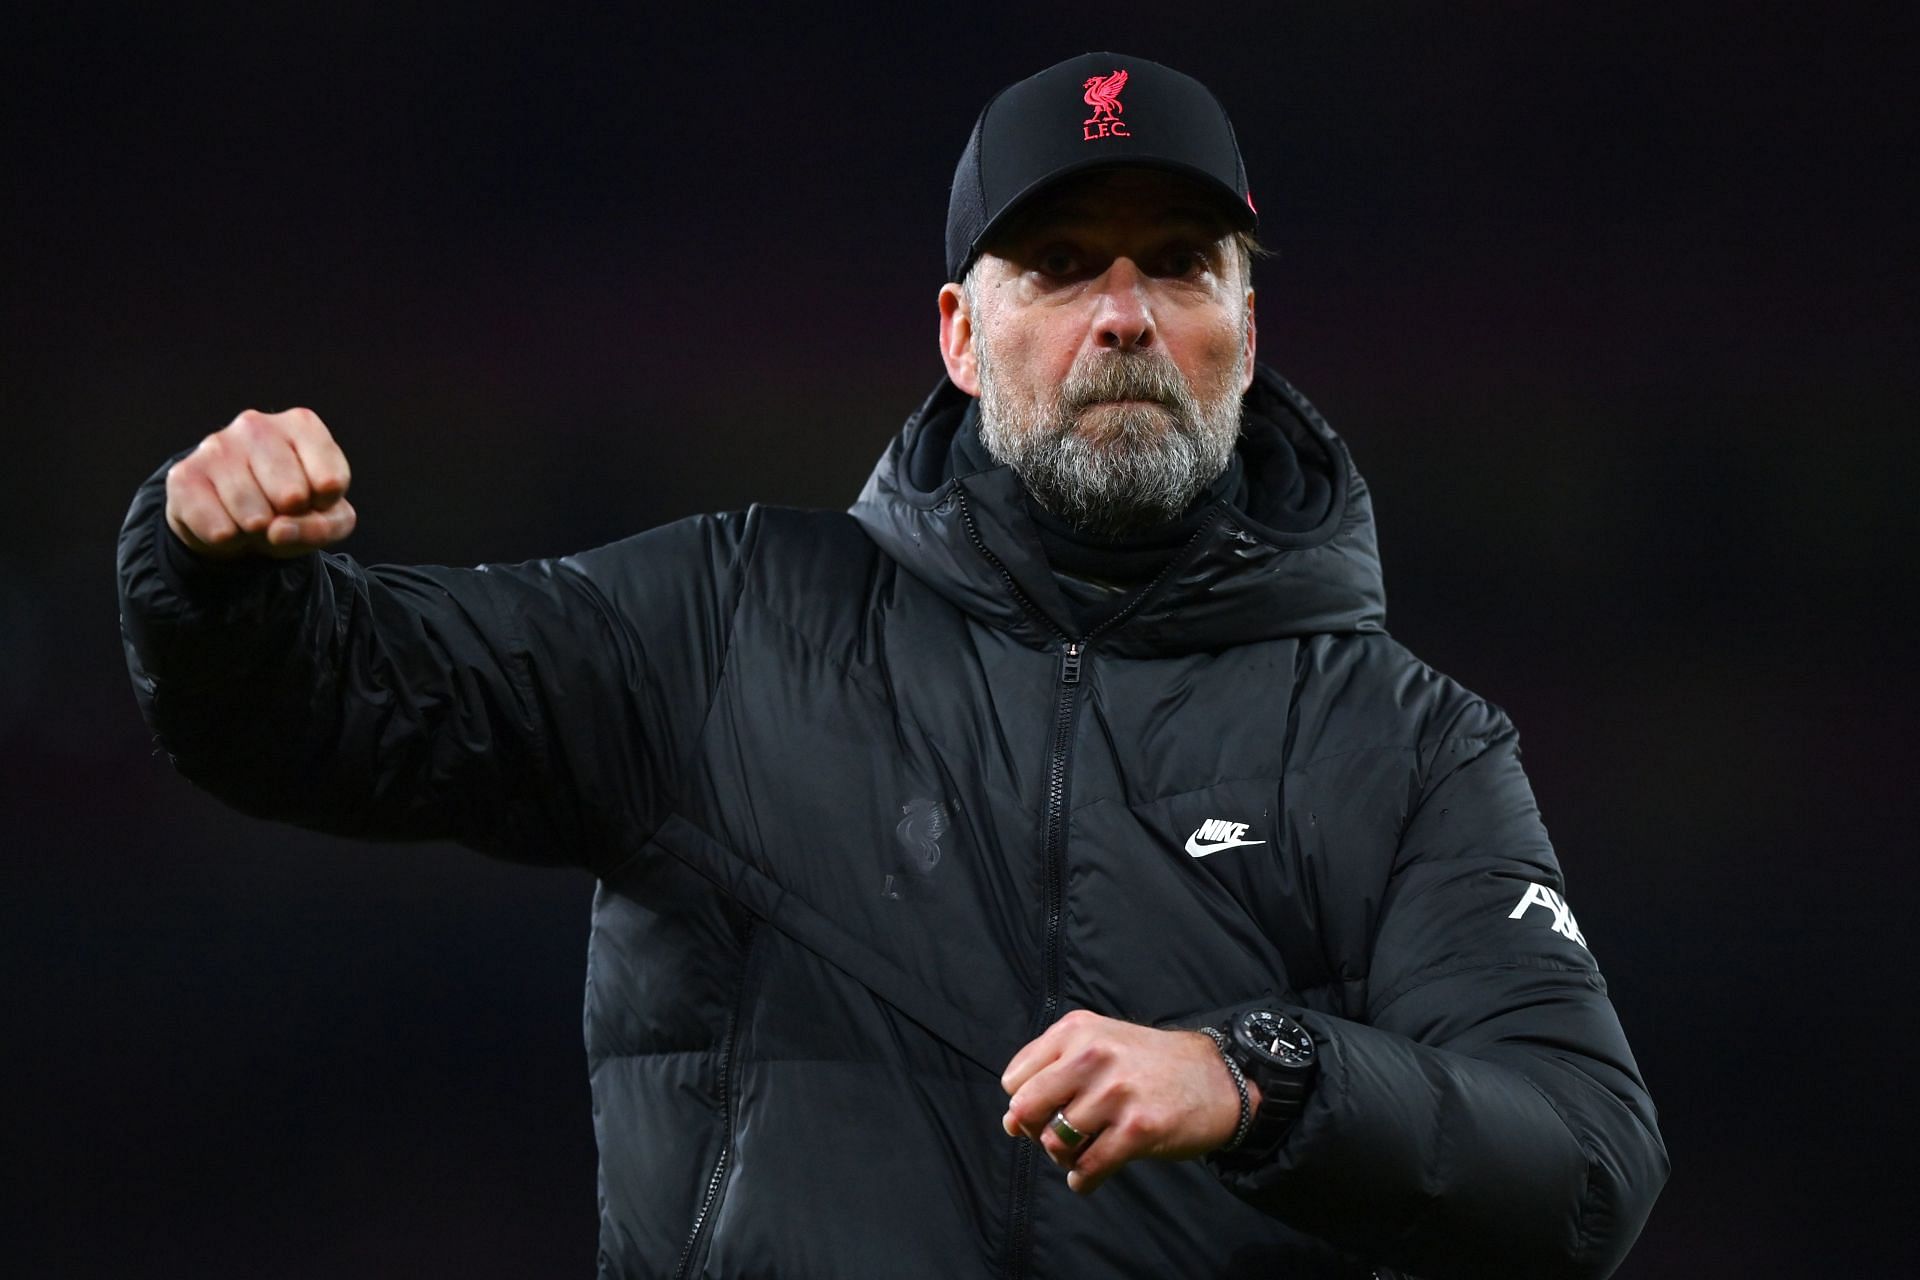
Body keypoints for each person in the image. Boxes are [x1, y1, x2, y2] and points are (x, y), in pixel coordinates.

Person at [117, 52, 1667, 1280]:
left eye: (1180, 265)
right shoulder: (725, 621)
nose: (1122, 316)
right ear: (955, 332)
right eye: (1060, 265)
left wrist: (1261, 1075)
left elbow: (1588, 1163)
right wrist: (215, 575)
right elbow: (327, 712)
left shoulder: (1406, 745)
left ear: (1246, 332)